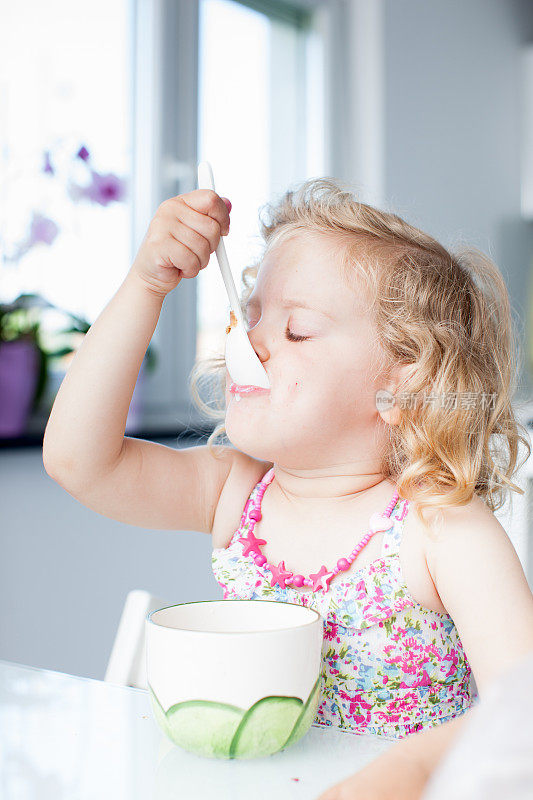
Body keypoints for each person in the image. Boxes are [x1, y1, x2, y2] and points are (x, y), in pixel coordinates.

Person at [43, 179, 533, 796]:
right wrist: (148, 285)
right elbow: (76, 461)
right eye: (249, 320)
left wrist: (407, 769)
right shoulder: (235, 493)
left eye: (297, 331)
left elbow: (523, 707)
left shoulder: (442, 529)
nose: (249, 343)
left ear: (405, 384)